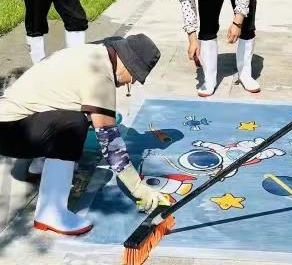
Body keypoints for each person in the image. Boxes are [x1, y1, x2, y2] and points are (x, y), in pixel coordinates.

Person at [0, 34, 169, 235]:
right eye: (133, 77)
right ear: (127, 64)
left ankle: (40, 165)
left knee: (74, 112)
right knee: (73, 123)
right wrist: (138, 187)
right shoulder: (100, 76)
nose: (128, 83)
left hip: (13, 121)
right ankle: (51, 212)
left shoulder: (94, 52)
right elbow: (110, 143)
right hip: (11, 132)